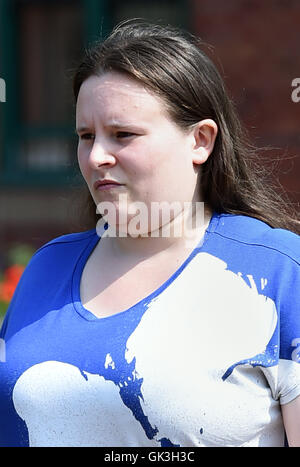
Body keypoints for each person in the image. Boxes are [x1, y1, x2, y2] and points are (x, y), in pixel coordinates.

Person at [0, 19, 300, 448]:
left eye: (123, 135)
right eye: (86, 136)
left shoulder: (279, 270)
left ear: (200, 140)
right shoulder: (48, 266)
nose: (97, 156)